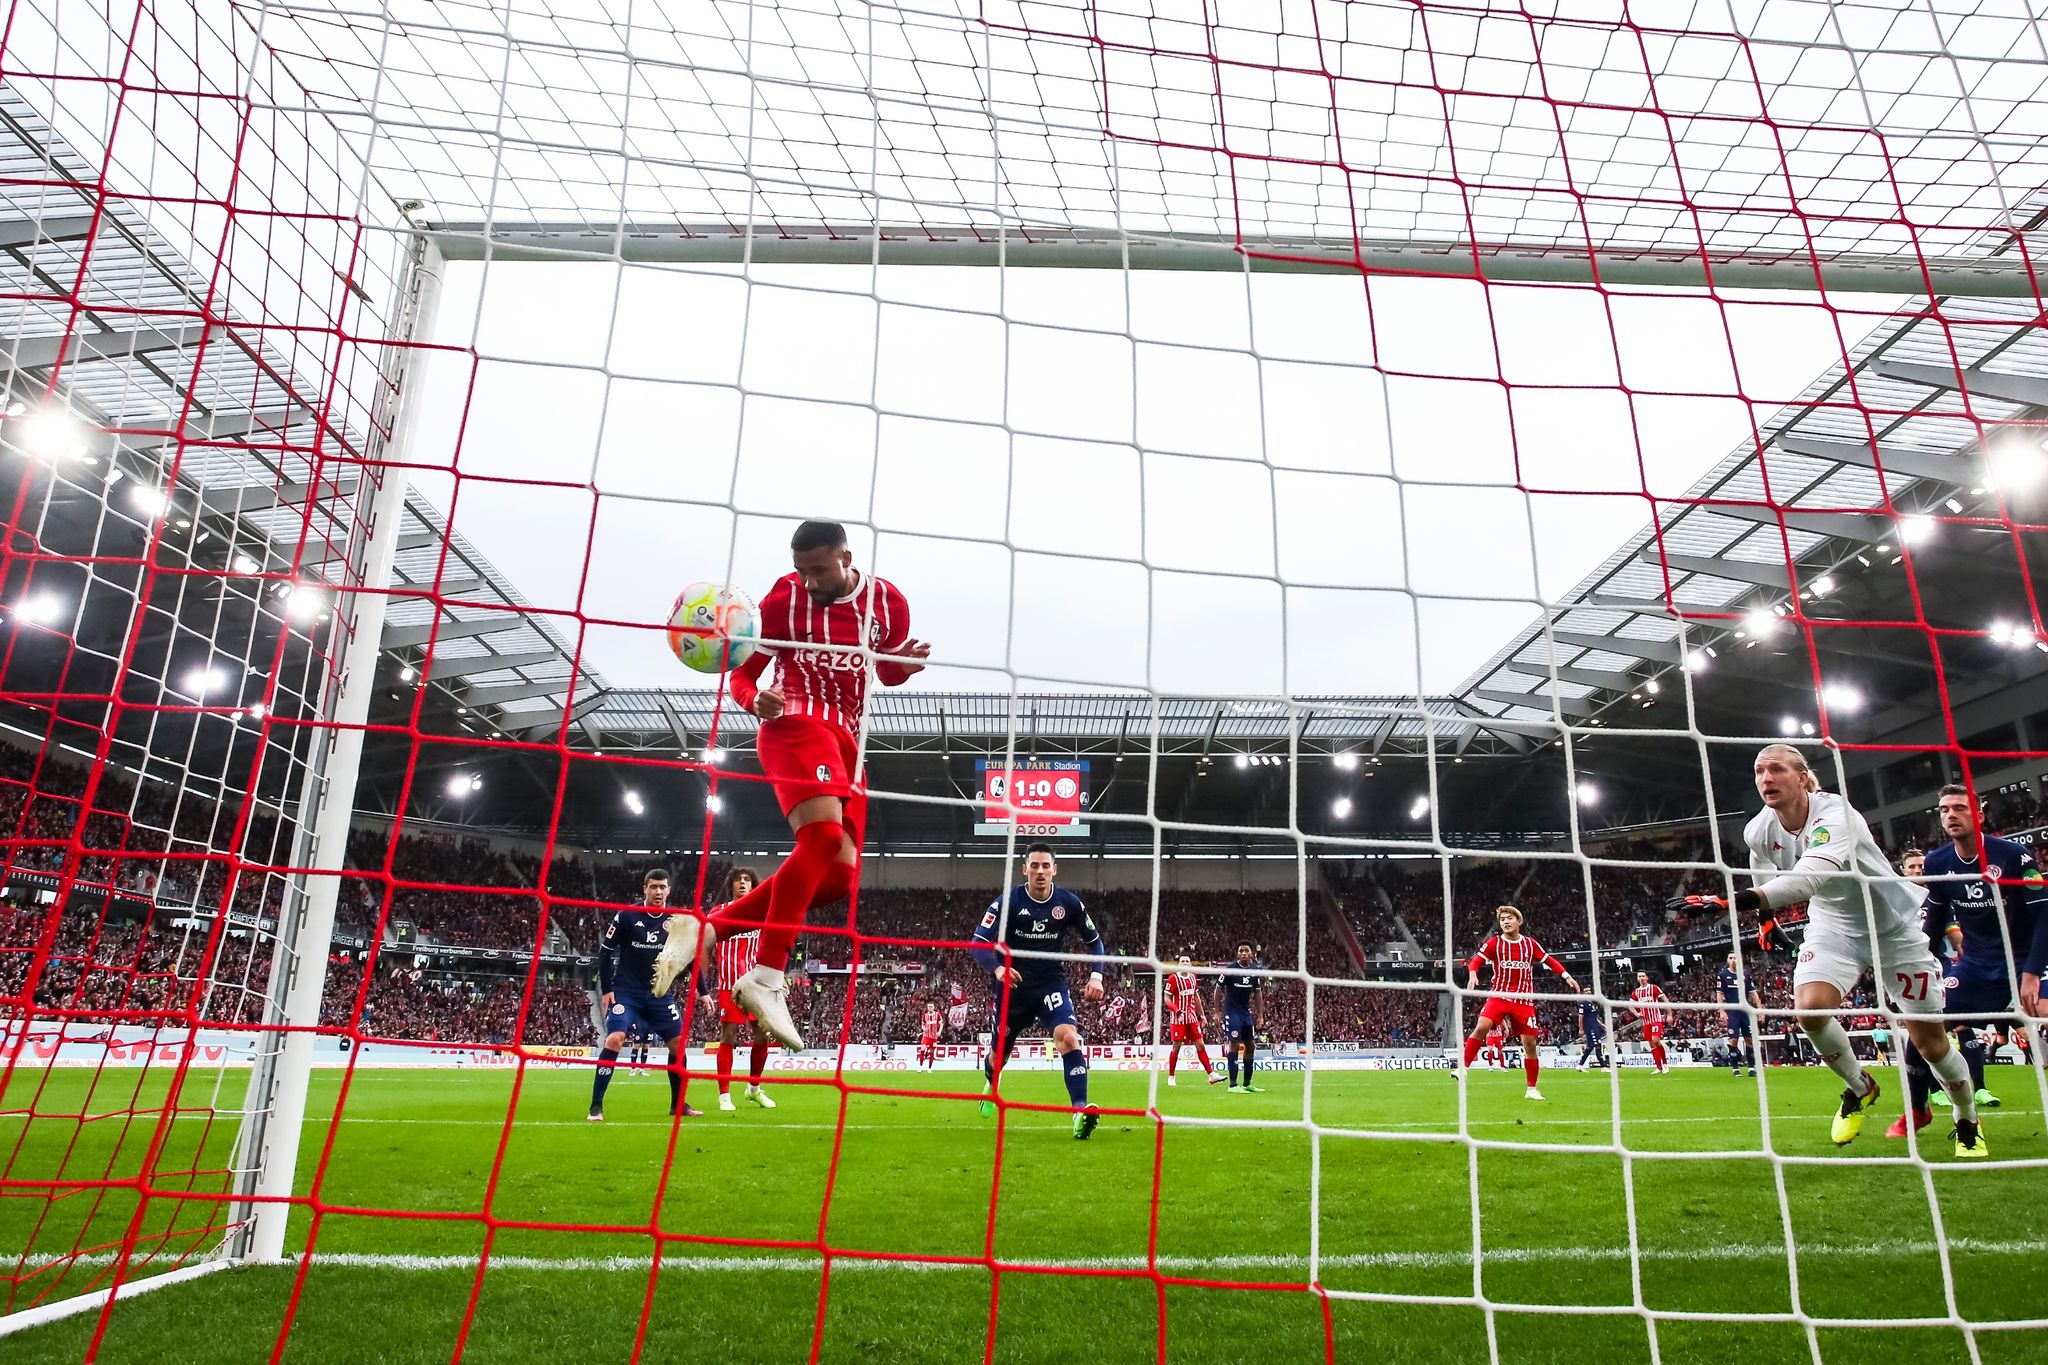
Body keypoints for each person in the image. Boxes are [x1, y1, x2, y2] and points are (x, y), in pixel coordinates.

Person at [652, 520, 930, 1048]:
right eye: (801, 569)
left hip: (851, 742)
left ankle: (708, 927)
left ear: (846, 558)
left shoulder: (889, 602)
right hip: (796, 722)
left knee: (835, 882)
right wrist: (752, 700)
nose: (807, 580)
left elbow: (884, 669)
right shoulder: (783, 600)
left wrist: (904, 667)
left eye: (818, 569)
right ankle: (767, 978)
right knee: (821, 839)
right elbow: (743, 671)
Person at [1668, 745, 1985, 1157]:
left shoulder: (1836, 815)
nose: (1766, 778)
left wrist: (1731, 902)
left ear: (1802, 777)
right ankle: (1859, 1087)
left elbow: (1808, 880)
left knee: (1930, 1044)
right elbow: (1760, 861)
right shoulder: (1759, 828)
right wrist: (1767, 921)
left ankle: (1967, 1118)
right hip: (1833, 927)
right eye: (1759, 771)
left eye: (1776, 769)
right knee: (1810, 1010)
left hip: (1892, 929)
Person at [1902, 784, 2047, 1131]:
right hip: (1977, 964)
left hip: (2026, 957)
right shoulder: (1937, 862)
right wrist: (1920, 967)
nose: (1951, 815)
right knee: (1923, 1026)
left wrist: (2031, 972)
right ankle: (1918, 1108)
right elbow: (1935, 922)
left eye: (1959, 808)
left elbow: (2044, 914)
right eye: (1944, 810)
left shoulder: (2013, 856)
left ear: (1979, 816)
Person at [967, 844, 1107, 1139]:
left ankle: (1080, 1113)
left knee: (1069, 1038)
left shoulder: (1068, 903)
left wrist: (1096, 976)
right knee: (998, 1058)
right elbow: (978, 942)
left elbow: (1095, 942)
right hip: (1012, 988)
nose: (1040, 871)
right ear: (1025, 869)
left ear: (1055, 869)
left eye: (1046, 866)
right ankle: (992, 1082)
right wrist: (998, 969)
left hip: (1049, 983)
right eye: (1035, 866)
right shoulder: (1009, 901)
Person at [592, 867, 701, 1120]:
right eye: (653, 886)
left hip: (659, 994)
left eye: (663, 887)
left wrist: (702, 990)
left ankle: (679, 1105)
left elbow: (691, 956)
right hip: (626, 993)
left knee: (678, 1044)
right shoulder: (627, 916)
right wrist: (607, 989)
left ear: (669, 890)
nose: (658, 891)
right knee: (615, 1039)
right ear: (645, 889)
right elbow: (605, 952)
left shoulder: (677, 919)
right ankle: (596, 1106)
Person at [1461, 904, 1579, 1100]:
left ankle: (1531, 1089)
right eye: (1502, 919)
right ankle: (1463, 1068)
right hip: (1499, 995)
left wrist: (1567, 976)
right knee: (1482, 1025)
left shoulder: (1530, 944)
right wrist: (1473, 974)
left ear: (1519, 921)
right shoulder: (1494, 943)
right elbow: (1475, 961)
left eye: (1509, 918)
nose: (1505, 922)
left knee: (1530, 1044)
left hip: (1523, 1000)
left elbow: (1549, 960)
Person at [698, 868, 775, 1113]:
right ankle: (724, 1096)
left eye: (747, 880)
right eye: (737, 880)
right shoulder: (718, 913)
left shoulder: (763, 912)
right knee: (728, 1035)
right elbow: (706, 948)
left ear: (753, 886)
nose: (742, 883)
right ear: (730, 885)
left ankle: (753, 1088)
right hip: (728, 985)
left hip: (755, 985)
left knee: (762, 1036)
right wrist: (702, 983)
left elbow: (771, 946)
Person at [1162, 954, 1220, 1087]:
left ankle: (1211, 1075)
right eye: (1182, 961)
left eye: (1187, 961)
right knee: (1176, 1046)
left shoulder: (1193, 977)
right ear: (1178, 964)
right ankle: (1171, 1076)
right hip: (1178, 1018)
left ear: (1190, 964)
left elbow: (1195, 997)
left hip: (1192, 1017)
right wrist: (1176, 1011)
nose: (1185, 963)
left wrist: (1202, 1015)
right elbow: (1167, 998)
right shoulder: (1173, 979)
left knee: (1200, 1045)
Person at [1219, 942, 1265, 1093]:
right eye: (1241, 951)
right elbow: (1217, 990)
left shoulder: (1255, 970)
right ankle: (1233, 1085)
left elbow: (1257, 993)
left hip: (1245, 1013)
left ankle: (1247, 1083)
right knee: (1235, 1045)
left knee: (1250, 1045)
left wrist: (1260, 1015)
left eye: (1246, 950)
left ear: (1251, 953)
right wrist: (1216, 1012)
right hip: (1231, 1012)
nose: (1244, 953)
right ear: (1237, 954)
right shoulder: (1230, 969)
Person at [1717, 952, 1764, 1077]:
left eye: (1735, 958)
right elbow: (1720, 994)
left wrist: (1760, 1010)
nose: (1733, 960)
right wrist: (1721, 1011)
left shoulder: (1745, 975)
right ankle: (1735, 1068)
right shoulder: (1723, 975)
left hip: (1745, 1011)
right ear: (1727, 960)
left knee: (1749, 1039)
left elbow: (1753, 993)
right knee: (1733, 1040)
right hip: (1732, 1011)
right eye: (1731, 958)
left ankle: (1751, 1067)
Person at [1628, 971, 1671, 1074]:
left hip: (1655, 1019)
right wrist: (1637, 1014)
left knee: (1655, 1040)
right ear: (1637, 979)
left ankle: (1665, 1064)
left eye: (1643, 976)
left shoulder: (1653, 988)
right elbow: (1630, 1005)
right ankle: (1658, 1067)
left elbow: (1665, 1000)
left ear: (1647, 978)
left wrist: (1669, 1014)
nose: (1641, 978)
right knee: (1651, 1044)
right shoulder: (1636, 992)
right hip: (1646, 1022)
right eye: (1639, 976)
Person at [1576, 984, 1609, 1071]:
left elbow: (1594, 1017)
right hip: (1590, 1027)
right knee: (1597, 1044)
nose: (1589, 992)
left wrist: (1602, 1025)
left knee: (1590, 1047)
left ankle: (1580, 1065)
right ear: (1583, 993)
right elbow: (1580, 1017)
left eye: (1589, 991)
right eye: (1586, 991)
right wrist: (1581, 1029)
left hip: (1595, 1026)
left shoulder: (1591, 1004)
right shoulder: (1583, 1004)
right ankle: (1604, 1066)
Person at [917, 998, 943, 1071]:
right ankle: (920, 1066)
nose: (930, 1008)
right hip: (926, 1036)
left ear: (934, 1007)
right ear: (927, 1007)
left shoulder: (937, 1015)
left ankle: (929, 1068)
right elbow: (922, 1024)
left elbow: (941, 1024)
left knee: (931, 1052)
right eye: (929, 1007)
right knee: (922, 1049)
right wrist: (923, 1028)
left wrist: (939, 1032)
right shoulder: (925, 1015)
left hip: (934, 1037)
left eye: (931, 1006)